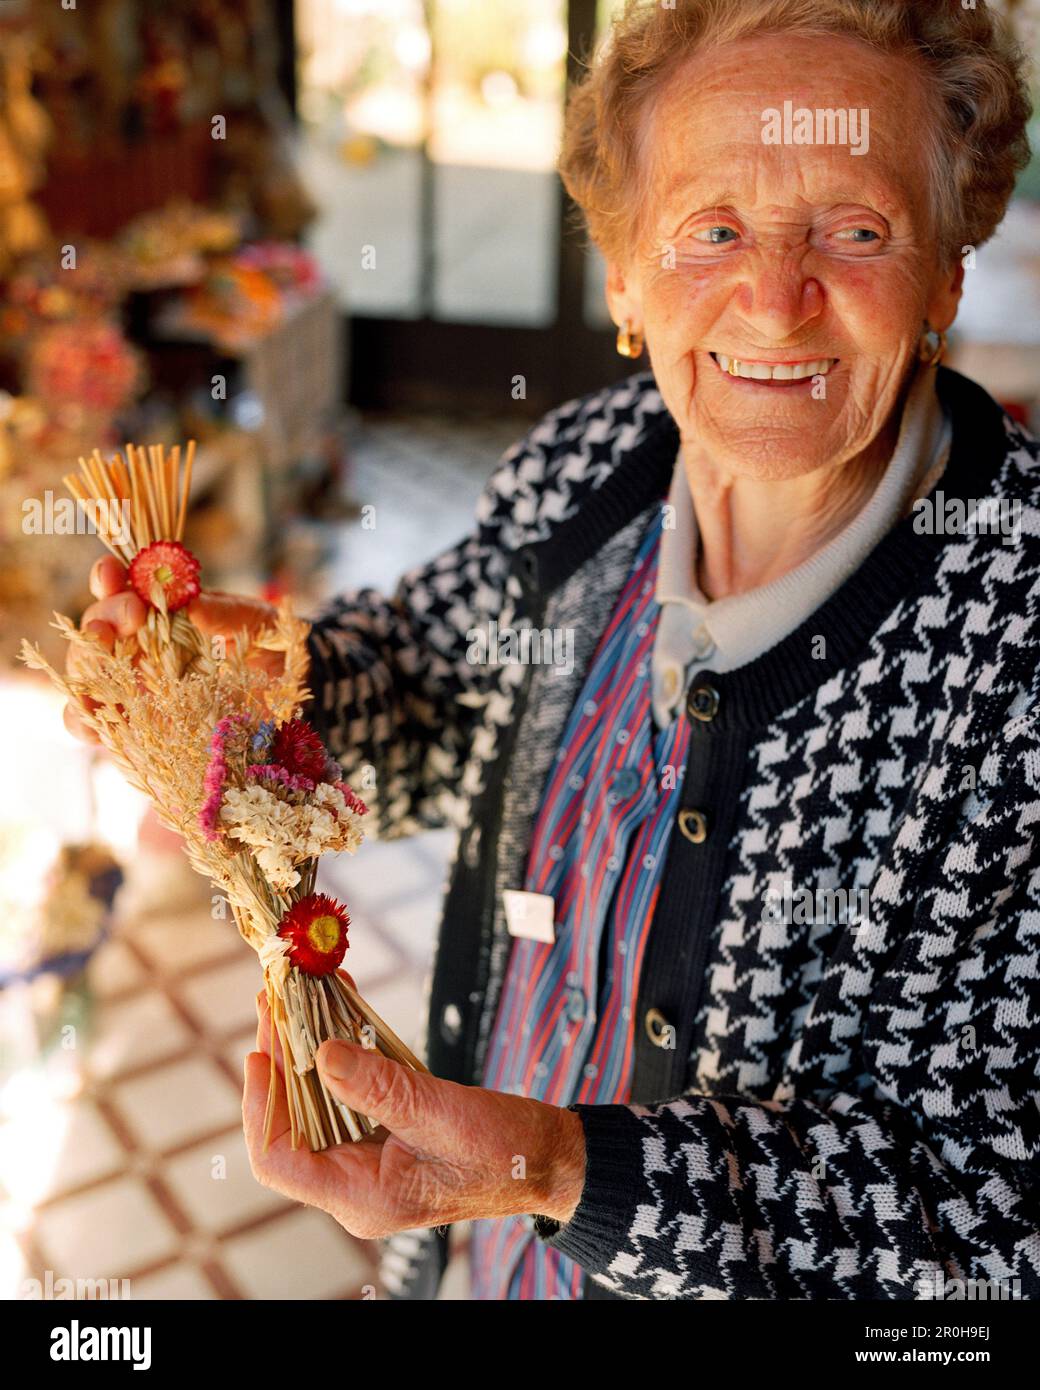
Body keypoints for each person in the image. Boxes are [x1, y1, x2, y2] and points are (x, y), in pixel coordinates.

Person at [66, 0, 1039, 1300]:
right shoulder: (589, 470)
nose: (774, 298)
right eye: (712, 229)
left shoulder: (1012, 644)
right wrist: (247, 701)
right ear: (623, 273)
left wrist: (557, 1168)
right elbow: (430, 691)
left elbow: (990, 1230)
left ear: (947, 271)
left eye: (855, 230)